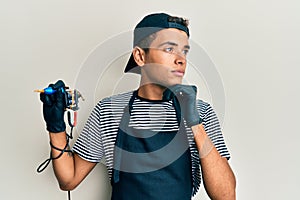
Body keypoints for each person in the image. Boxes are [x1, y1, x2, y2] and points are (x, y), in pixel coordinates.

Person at [40, 13, 236, 200]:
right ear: (140, 56)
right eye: (169, 49)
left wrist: (195, 123)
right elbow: (69, 180)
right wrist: (55, 127)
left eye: (184, 51)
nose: (180, 59)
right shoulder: (109, 110)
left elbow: (226, 196)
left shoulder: (201, 112)